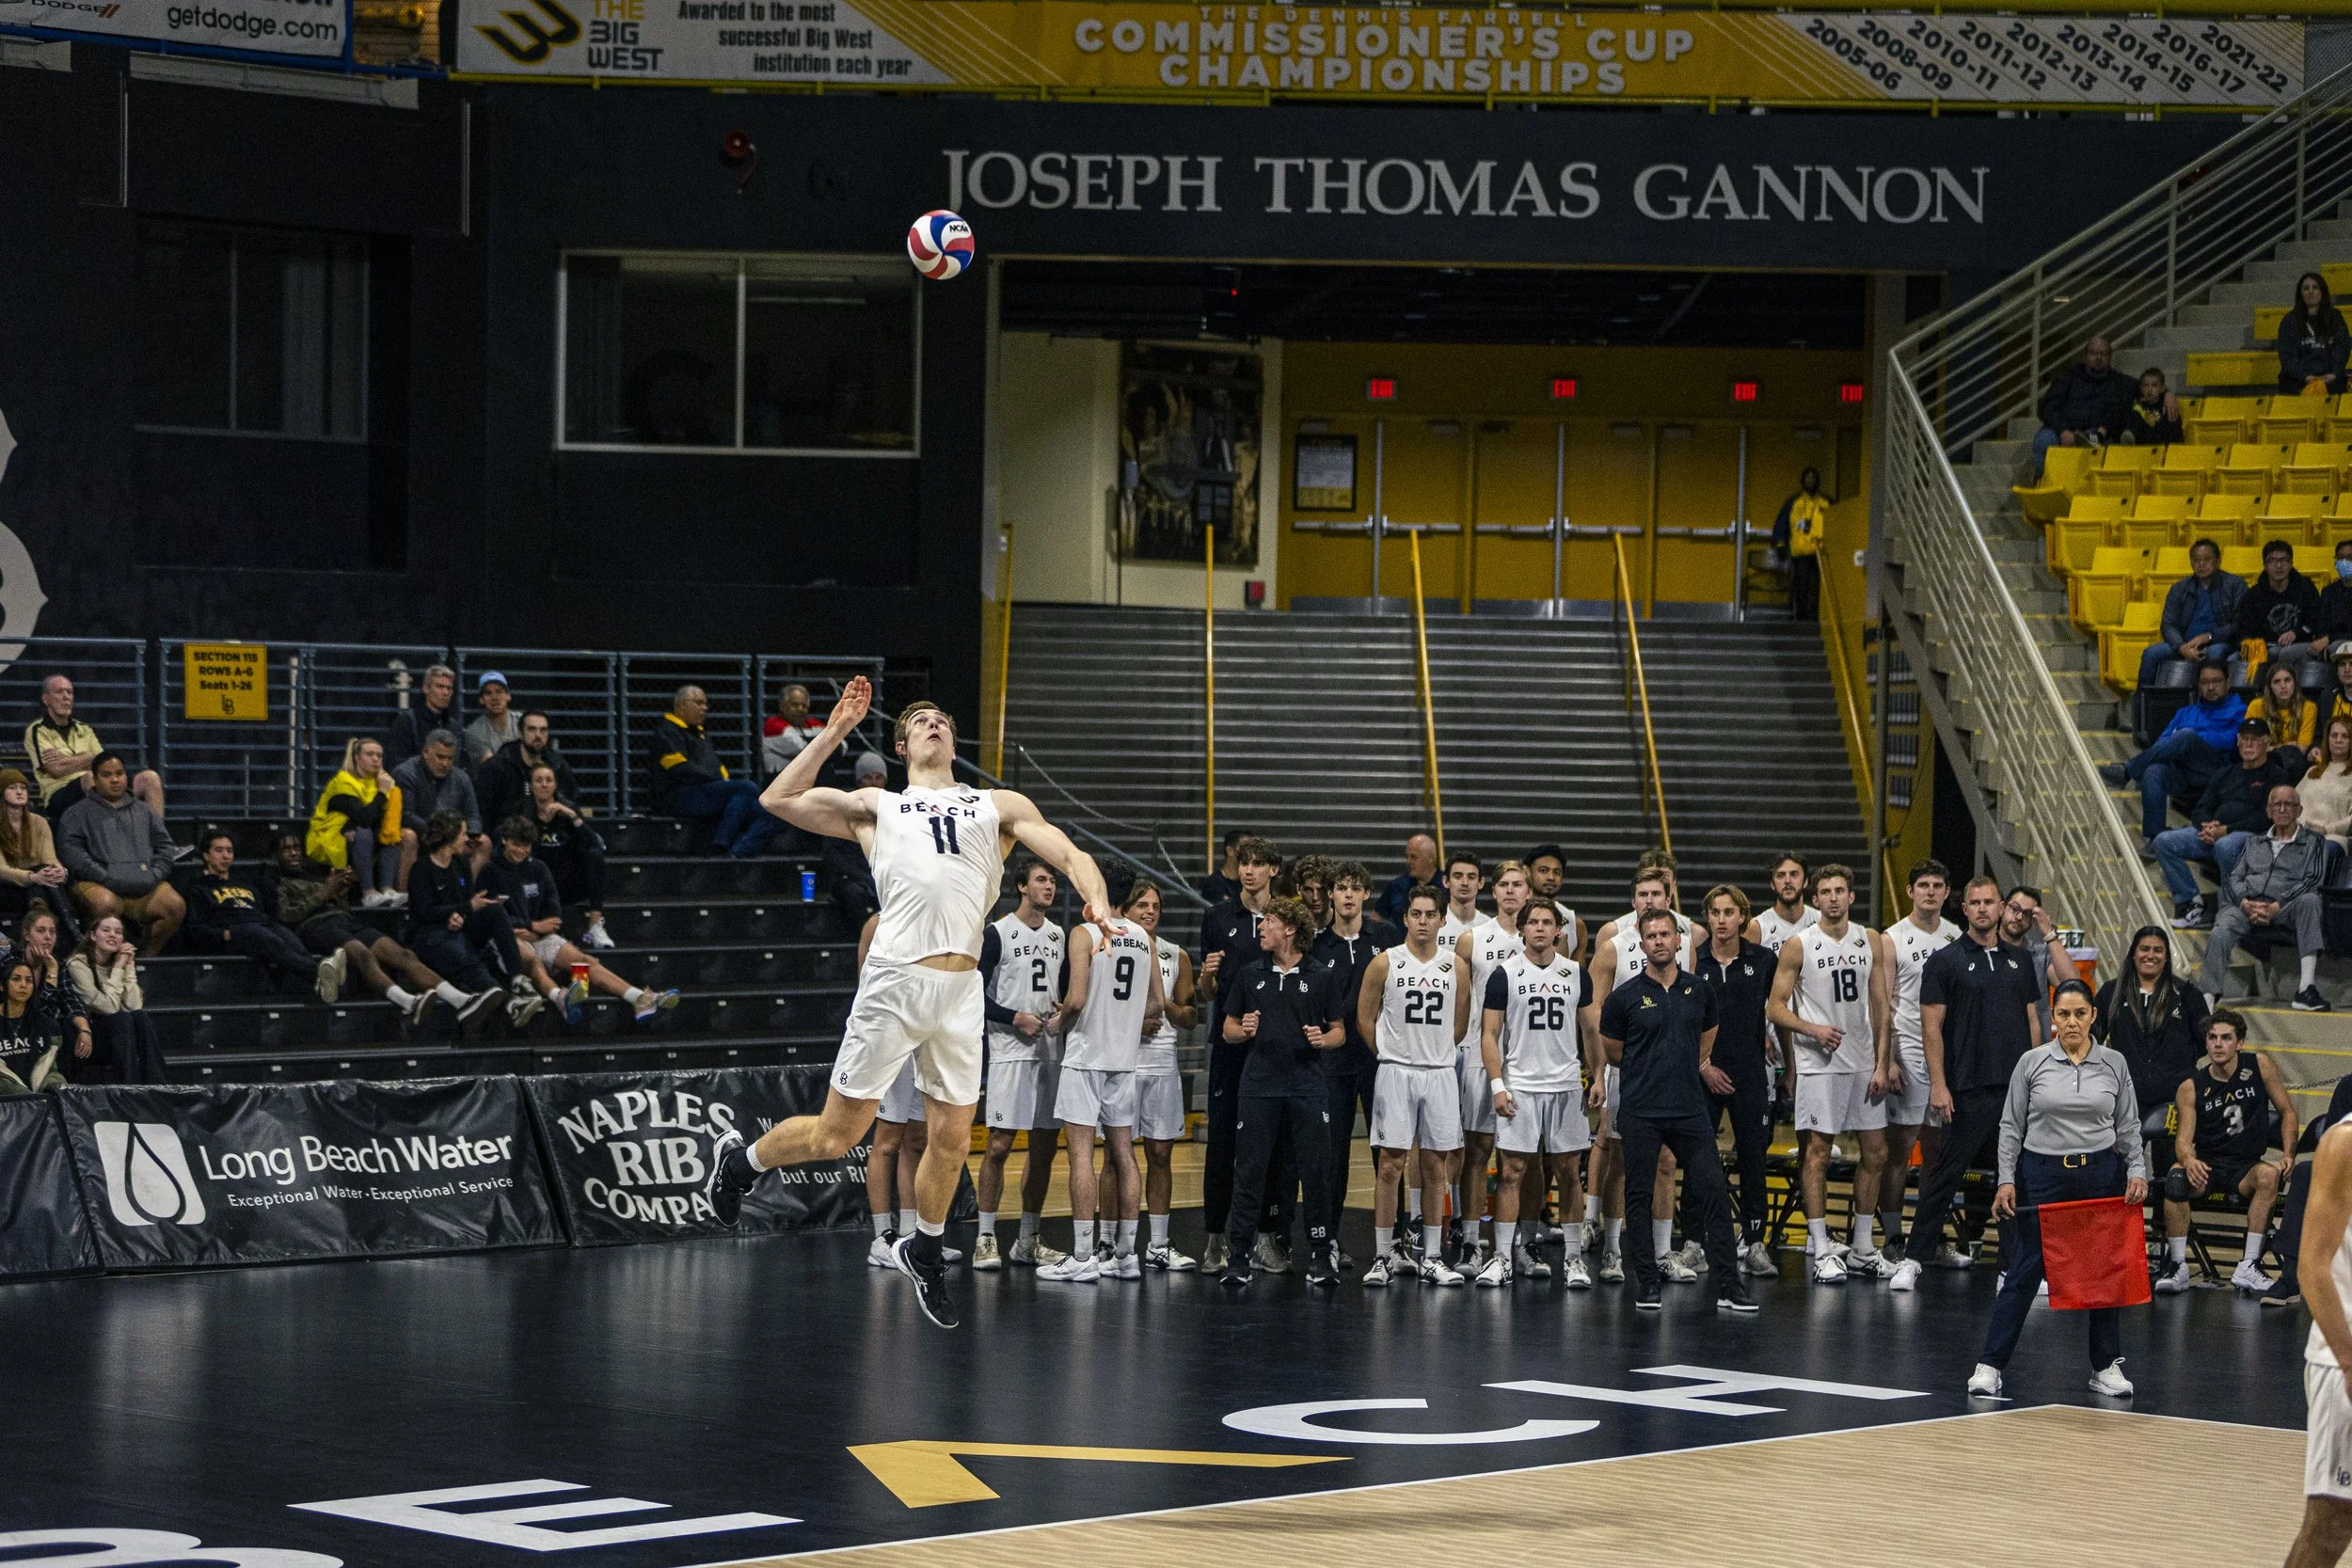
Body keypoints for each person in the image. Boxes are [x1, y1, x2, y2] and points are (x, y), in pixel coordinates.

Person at [707, 680, 1115, 1331]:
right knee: (838, 1135)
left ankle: (924, 1248)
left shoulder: (995, 804)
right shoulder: (879, 806)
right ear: (900, 746)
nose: (932, 724)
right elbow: (776, 798)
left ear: (952, 740)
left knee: (951, 1139)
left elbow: (1069, 852)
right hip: (895, 981)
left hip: (960, 991)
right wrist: (835, 731)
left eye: (940, 719)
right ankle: (740, 1163)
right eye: (920, 720)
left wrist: (1098, 903)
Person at [1965, 979, 2144, 1401]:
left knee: (2102, 1274)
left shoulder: (2114, 1062)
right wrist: (2006, 1179)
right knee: (2025, 1271)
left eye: (2080, 1014)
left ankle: (2105, 1366)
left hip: (2100, 1173)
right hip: (2041, 1175)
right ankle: (1990, 1365)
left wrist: (2137, 1169)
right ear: (2053, 1018)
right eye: (2063, 1014)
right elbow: (2011, 1126)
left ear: (2093, 1016)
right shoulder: (2032, 1062)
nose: (2072, 1022)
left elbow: (2128, 1124)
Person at [1887, 877, 2044, 1291]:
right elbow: (1931, 1027)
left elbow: (2031, 1020)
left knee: (2015, 1179)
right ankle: (1914, 1259)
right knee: (1944, 1176)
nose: (1982, 908)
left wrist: (2037, 1080)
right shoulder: (1945, 961)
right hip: (1967, 1089)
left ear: (2001, 907)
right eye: (1974, 902)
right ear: (1965, 909)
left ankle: (2013, 1269)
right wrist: (1938, 1085)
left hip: (2014, 1091)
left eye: (1989, 902)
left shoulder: (2021, 960)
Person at [1599, 909, 1753, 1314]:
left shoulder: (1699, 991)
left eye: (1665, 934)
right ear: (1642, 944)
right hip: (1641, 1109)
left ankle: (1729, 1286)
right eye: (1651, 936)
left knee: (1714, 1193)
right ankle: (1648, 1283)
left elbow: (1707, 1039)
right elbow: (1612, 1052)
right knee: (1639, 1196)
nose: (1659, 941)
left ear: (1678, 940)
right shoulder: (1623, 997)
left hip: (1689, 1109)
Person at [1768, 863, 1897, 1283]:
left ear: (1851, 896)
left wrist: (1882, 1062)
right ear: (1816, 898)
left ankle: (1862, 1247)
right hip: (1819, 1065)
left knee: (1876, 1153)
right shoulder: (1799, 944)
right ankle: (1821, 1246)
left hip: (1863, 1063)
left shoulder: (1869, 939)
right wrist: (1813, 1030)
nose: (1833, 898)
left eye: (1840, 890)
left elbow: (1881, 1006)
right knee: (1818, 1154)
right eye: (1826, 892)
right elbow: (1775, 1008)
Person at [1216, 896, 1348, 1291]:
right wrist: (1244, 1030)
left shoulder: (1321, 976)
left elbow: (1340, 1032)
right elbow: (1227, 1029)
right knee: (1249, 1172)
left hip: (1307, 1087)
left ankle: (1321, 1256)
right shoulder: (1249, 973)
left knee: (1316, 1173)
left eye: (1269, 921)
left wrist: (1323, 1039)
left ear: (1289, 929)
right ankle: (1238, 1257)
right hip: (1259, 1087)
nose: (1261, 927)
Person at [1477, 895, 1598, 1289]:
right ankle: (1503, 1256)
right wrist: (1498, 1084)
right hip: (1522, 1087)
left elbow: (1590, 1030)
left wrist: (1598, 1076)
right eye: (1533, 922)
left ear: (1559, 930)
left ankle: (1574, 1259)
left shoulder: (1576, 974)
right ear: (1522, 929)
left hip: (1565, 1086)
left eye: (1548, 922)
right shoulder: (1504, 974)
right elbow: (1489, 1034)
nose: (1541, 928)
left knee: (1569, 1173)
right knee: (1512, 1171)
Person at [1589, 868, 1700, 1284]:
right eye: (1642, 894)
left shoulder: (1683, 945)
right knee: (1621, 1161)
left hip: (1672, 1073)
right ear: (1633, 900)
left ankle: (1661, 1252)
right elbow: (1594, 1017)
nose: (1649, 900)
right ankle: (1612, 1250)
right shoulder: (1612, 948)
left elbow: (1693, 1011)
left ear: (1668, 898)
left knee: (1667, 1162)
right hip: (1629, 1071)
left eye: (1656, 893)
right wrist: (1599, 1071)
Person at [1041, 906, 1163, 1283]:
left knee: (1081, 1156)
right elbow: (1156, 1003)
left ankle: (1082, 1256)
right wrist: (1120, 1017)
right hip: (1123, 1060)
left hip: (1086, 1058)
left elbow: (1076, 1001)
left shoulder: (1086, 933)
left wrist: (1057, 1024)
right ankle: (1127, 1256)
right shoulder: (1144, 939)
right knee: (1124, 1153)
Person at [1359, 883, 1470, 1288]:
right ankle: (1383, 1255)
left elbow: (1459, 1025)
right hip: (1396, 1072)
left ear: (1442, 920)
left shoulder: (1456, 966)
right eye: (1416, 914)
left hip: (1439, 1072)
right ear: (1405, 918)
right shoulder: (1385, 963)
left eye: (1430, 915)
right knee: (1391, 1163)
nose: (1423, 921)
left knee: (1435, 1165)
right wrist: (1391, 1054)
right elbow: (1364, 1019)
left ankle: (1433, 1257)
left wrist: (1432, 1052)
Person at [262, 832, 492, 1022]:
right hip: (315, 927)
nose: (294, 852)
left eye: (296, 847)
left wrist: (340, 892)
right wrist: (325, 891)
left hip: (344, 920)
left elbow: (340, 907)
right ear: (275, 855)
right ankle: (407, 1002)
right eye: (286, 849)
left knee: (404, 954)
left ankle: (461, 1000)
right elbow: (287, 915)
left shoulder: (314, 875)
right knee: (363, 954)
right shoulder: (275, 881)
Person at [2154, 1009, 2296, 1295]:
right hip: (2207, 1166)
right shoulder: (2191, 1087)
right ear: (2206, 1044)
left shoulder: (2259, 1065)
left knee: (2269, 1176)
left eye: (2226, 1038)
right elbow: (2183, 1141)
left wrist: (2289, 1153)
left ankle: (2249, 1265)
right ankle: (2179, 1266)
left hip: (2245, 1166)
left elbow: (2288, 1112)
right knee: (2176, 1177)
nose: (2218, 1044)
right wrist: (2189, 1160)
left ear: (2239, 1043)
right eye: (2212, 1038)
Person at [972, 858, 1069, 1273]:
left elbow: (1066, 990)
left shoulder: (1059, 934)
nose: (1049, 887)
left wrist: (1065, 1014)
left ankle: (1028, 1239)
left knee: (1045, 1148)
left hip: (1050, 1051)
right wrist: (1015, 1017)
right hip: (1010, 1051)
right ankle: (985, 1237)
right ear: (1022, 886)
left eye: (1053, 881)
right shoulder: (997, 933)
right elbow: (973, 993)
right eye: (1041, 880)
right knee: (998, 1145)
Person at [485, 818, 678, 1024]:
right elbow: (491, 916)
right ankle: (560, 998)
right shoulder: (489, 871)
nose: (521, 851)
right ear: (504, 840)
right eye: (516, 845)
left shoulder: (539, 868)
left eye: (526, 846)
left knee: (583, 962)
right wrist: (530, 925)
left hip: (539, 935)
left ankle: (638, 999)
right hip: (507, 939)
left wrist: (535, 930)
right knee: (534, 960)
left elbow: (553, 914)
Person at [1198, 833, 1279, 1274]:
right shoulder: (1218, 917)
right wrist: (1206, 977)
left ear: (1273, 870)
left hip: (1273, 1048)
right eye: (1244, 863)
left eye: (1258, 863)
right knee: (1222, 1142)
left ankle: (1265, 1237)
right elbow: (1206, 992)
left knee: (1270, 1144)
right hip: (1230, 1046)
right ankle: (1215, 1238)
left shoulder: (1285, 918)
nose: (1249, 870)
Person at [1453, 858, 1533, 1271]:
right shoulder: (1472, 940)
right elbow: (1460, 1002)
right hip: (1479, 1056)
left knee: (1521, 1158)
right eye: (1504, 884)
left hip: (1527, 1060)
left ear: (1528, 892)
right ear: (1494, 890)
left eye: (1518, 884)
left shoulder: (1542, 935)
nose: (1511, 891)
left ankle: (1520, 1242)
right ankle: (1471, 1242)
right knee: (1477, 1151)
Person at [1879, 859, 1960, 1261]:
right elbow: (1882, 1003)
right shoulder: (1892, 938)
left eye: (1937, 885)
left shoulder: (1957, 937)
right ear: (1910, 891)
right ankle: (1894, 1238)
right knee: (1899, 1151)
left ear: (1947, 893)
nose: (1930, 891)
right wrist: (1889, 1058)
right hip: (1908, 1048)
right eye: (1923, 884)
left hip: (1945, 1053)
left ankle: (1929, 1238)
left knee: (1938, 1153)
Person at [1694, 885, 1778, 1276]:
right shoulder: (1693, 959)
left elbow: (1778, 1010)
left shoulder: (1764, 960)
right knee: (1698, 1158)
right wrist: (1703, 1066)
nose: (1722, 919)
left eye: (1729, 912)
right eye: (1715, 912)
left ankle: (1755, 1241)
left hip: (1749, 1073)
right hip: (1703, 1072)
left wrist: (1789, 1068)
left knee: (1754, 1158)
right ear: (1707, 917)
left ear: (1743, 917)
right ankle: (1694, 1242)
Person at [1311, 860, 1394, 1253]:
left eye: (1354, 888)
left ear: (1365, 894)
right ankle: (1328, 1239)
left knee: (1387, 1151)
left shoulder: (1386, 938)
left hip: (1380, 1059)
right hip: (1332, 1061)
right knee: (1332, 1153)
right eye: (1341, 887)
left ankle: (1393, 1241)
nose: (1347, 894)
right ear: (1330, 894)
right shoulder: (1317, 945)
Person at [2153, 720, 2307, 929]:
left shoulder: (2276, 776)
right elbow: (2201, 808)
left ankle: (2230, 911)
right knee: (2164, 841)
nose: (2248, 744)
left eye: (2254, 739)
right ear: (2238, 741)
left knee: (2226, 846)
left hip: (2256, 836)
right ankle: (2190, 904)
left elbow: (2267, 817)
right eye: (2244, 739)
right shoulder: (2225, 773)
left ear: (2266, 743)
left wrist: (2226, 831)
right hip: (2216, 833)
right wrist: (2207, 827)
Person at [2199, 784, 2332, 1011]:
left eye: (2288, 804)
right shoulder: (2254, 842)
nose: (2282, 809)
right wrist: (2244, 902)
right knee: (2223, 926)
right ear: (2269, 811)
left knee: (2310, 900)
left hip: (2286, 908)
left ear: (2299, 811)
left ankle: (2306, 989)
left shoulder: (2314, 842)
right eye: (2276, 805)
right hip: (2248, 906)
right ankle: (2207, 998)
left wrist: (2278, 905)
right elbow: (2235, 877)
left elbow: (2313, 879)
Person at [404, 810, 540, 1030]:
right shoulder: (422, 868)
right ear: (449, 836)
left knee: (495, 911)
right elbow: (424, 912)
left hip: (459, 925)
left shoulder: (461, 863)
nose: (467, 838)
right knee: (463, 951)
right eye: (463, 834)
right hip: (430, 934)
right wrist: (463, 909)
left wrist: (462, 913)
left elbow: (465, 901)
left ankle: (517, 979)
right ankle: (510, 1003)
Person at [2288, 1110, 2352, 1565]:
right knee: (2331, 1525)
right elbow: (2312, 1267)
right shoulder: (2344, 1142)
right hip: (2342, 1358)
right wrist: (2349, 1361)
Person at [1127, 878, 1200, 1272]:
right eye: (1142, 905)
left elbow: (1190, 1016)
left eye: (1155, 905)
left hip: (1162, 1063)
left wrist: (1165, 1006)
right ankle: (1111, 1244)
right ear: (1126, 909)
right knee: (1117, 1157)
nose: (1150, 911)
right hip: (1123, 1061)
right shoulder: (1111, 947)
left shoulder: (1177, 955)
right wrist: (1134, 1023)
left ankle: (1158, 1243)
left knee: (1160, 1154)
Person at [2093, 926, 2211, 1170]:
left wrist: (2178, 1063)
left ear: (2166, 957)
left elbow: (2205, 1041)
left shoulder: (2186, 994)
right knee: (2120, 1169)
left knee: (2169, 1173)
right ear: (2133, 954)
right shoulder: (2112, 992)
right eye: (2144, 949)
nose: (2151, 955)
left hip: (2173, 1098)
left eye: (2158, 950)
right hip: (2127, 1097)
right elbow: (2092, 1036)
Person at [183, 830, 342, 1001]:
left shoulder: (247, 886)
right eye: (219, 850)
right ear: (206, 856)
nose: (226, 855)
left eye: (229, 851)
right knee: (264, 936)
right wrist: (225, 934)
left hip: (261, 925)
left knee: (288, 937)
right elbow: (195, 929)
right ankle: (320, 974)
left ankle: (320, 981)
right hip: (235, 932)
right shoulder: (198, 889)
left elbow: (261, 913)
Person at [2103, 659, 2249, 843]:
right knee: (2154, 771)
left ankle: (2127, 771)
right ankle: (2154, 839)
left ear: (2227, 683)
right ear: (2198, 686)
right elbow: (2163, 742)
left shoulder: (2240, 711)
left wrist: (2192, 736)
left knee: (2186, 736)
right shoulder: (2185, 712)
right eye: (2205, 682)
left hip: (2216, 769)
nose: (2211, 687)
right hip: (2183, 772)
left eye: (2216, 681)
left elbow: (2229, 740)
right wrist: (2184, 741)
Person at [57, 753, 184, 953]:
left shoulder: (145, 811)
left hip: (144, 884)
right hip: (98, 884)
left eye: (119, 773)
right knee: (104, 904)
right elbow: (73, 854)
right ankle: (96, 960)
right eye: (107, 775)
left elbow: (165, 847)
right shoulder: (75, 813)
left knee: (174, 905)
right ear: (94, 779)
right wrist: (105, 876)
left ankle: (147, 959)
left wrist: (154, 875)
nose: (115, 780)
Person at [646, 685, 779, 860]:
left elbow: (717, 766)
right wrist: (717, 780)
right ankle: (719, 846)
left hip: (706, 792)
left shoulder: (700, 734)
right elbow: (681, 770)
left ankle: (736, 854)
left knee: (772, 812)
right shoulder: (667, 732)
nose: (704, 708)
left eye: (705, 703)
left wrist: (720, 780)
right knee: (746, 788)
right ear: (681, 705)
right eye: (699, 703)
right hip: (678, 796)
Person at [24, 674, 164, 825]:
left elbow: (102, 764)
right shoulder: (38, 730)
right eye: (59, 692)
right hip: (59, 794)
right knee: (90, 778)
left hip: (98, 785)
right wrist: (88, 757)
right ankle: (109, 833)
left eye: (69, 692)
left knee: (150, 779)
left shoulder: (84, 729)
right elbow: (56, 769)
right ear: (46, 699)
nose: (66, 697)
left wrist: (74, 760)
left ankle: (158, 837)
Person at [520, 761, 613, 950]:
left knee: (595, 855)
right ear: (531, 786)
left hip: (567, 880)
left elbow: (595, 845)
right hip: (538, 882)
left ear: (555, 785)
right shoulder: (523, 811)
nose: (544, 785)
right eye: (539, 780)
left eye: (549, 780)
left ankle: (595, 925)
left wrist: (572, 815)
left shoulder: (568, 809)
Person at [309, 737, 406, 908]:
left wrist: (353, 824)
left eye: (379, 756)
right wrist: (382, 793)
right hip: (330, 836)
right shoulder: (343, 782)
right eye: (370, 754)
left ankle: (388, 890)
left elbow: (383, 819)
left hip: (358, 833)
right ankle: (368, 893)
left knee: (391, 833)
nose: (376, 759)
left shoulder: (379, 783)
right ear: (356, 758)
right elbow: (364, 818)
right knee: (363, 832)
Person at [66, 914, 164, 1083]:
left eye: (118, 932)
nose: (113, 935)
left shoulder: (119, 961)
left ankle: (160, 1086)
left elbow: (134, 1007)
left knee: (140, 1017)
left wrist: (129, 966)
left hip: (118, 1035)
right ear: (93, 935)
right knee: (121, 1019)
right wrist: (118, 967)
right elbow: (108, 1008)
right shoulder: (78, 964)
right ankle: (129, 1089)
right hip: (86, 1038)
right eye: (106, 930)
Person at [2137, 539, 2246, 690]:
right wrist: (2181, 647)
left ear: (2218, 561)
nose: (2201, 564)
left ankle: (2209, 700)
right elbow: (2169, 624)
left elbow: (2240, 623)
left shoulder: (2235, 585)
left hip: (2219, 642)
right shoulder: (2179, 588)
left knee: (2215, 652)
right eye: (2196, 560)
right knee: (2151, 653)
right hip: (2185, 643)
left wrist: (2209, 636)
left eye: (2207, 559)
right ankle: (2144, 702)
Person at [2031, 335, 2134, 472]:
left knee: (2091, 443)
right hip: (2061, 429)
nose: (2098, 357)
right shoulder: (2067, 377)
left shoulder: (2120, 382)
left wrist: (2166, 394)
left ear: (2110, 357)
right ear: (2085, 357)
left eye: (2103, 353)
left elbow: (2145, 388)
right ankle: (2038, 477)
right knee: (2044, 440)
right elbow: (2048, 407)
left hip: (2094, 433)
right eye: (2093, 353)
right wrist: (2063, 431)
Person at [0, 768, 75, 944]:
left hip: (37, 883)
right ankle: (72, 930)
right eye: (12, 788)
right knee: (42, 885)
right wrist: (33, 877)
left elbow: (49, 859)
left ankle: (39, 927)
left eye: (23, 788)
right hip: (8, 886)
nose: (19, 792)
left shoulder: (39, 822)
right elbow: (1, 870)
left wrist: (60, 871)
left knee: (45, 881)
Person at [392, 731, 485, 867]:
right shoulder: (405, 774)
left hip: (453, 835)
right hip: (422, 833)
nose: (445, 763)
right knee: (408, 836)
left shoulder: (461, 778)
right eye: (440, 757)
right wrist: (441, 832)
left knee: (484, 842)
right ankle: (407, 882)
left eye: (450, 758)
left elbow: (473, 815)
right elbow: (406, 815)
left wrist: (473, 833)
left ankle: (466, 881)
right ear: (426, 752)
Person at [2240, 538, 2329, 679]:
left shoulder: (2305, 588)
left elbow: (2315, 621)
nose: (2279, 565)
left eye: (2284, 560)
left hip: (2300, 643)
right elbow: (2245, 628)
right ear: (2265, 566)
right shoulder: (2254, 595)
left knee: (2278, 653)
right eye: (2272, 561)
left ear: (2291, 564)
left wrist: (2296, 632)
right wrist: (2253, 645)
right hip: (2265, 646)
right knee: (2235, 659)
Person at [477, 711, 581, 832]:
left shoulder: (557, 765)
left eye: (543, 730)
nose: (538, 735)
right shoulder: (498, 766)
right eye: (532, 729)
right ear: (520, 734)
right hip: (509, 834)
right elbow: (483, 809)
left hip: (552, 832)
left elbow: (572, 802)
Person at [16, 909, 89, 1074]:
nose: (48, 937)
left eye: (52, 931)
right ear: (27, 935)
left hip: (48, 1029)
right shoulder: (13, 963)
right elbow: (36, 1011)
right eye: (41, 931)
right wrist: (52, 972)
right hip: (17, 1027)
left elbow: (70, 1000)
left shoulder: (58, 965)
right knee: (51, 1025)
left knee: (72, 1028)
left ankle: (70, 1086)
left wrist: (85, 1030)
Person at [1772, 467, 1831, 622]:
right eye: (1807, 478)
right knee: (1801, 587)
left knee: (1818, 589)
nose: (1810, 481)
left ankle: (1816, 619)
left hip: (1820, 554)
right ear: (1802, 481)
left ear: (1817, 481)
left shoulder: (1826, 502)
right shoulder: (1793, 502)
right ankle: (1801, 619)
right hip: (1800, 553)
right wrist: (1780, 544)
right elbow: (1781, 524)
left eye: (1813, 478)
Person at [2281, 271, 2352, 397]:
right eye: (2306, 288)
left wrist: (2334, 374)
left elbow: (2342, 349)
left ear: (2322, 291)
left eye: (2315, 287)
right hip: (2299, 382)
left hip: (2331, 380)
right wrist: (2305, 377)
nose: (2310, 291)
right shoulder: (2289, 321)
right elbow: (2288, 356)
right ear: (2300, 293)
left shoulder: (2335, 318)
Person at [0, 959, 64, 1095]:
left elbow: (49, 1069)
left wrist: (56, 1088)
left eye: (29, 981)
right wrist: (26, 1098)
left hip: (38, 1096)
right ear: (2, 985)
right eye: (16, 979)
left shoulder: (44, 1023)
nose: (23, 985)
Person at [384, 663, 458, 771]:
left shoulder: (453, 726)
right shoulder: (406, 722)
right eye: (440, 686)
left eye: (449, 688)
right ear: (426, 688)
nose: (446, 692)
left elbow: (457, 765)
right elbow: (396, 764)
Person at [1745, 852, 1818, 954]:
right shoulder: (1757, 928)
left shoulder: (1821, 921)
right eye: (1780, 875)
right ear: (1772, 884)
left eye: (1794, 874)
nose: (1787, 881)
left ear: (1805, 881)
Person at [2253, 659, 2321, 756]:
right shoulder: (2256, 706)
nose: (2283, 686)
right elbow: (2252, 747)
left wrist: (2270, 748)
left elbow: (2301, 750)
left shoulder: (2308, 708)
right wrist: (2289, 746)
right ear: (2270, 687)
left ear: (2294, 683)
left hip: (2293, 762)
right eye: (2276, 682)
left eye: (2287, 680)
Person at [2306, 716, 2352, 846]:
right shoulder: (2313, 771)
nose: (2338, 740)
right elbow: (2293, 804)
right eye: (2334, 735)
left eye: (2345, 736)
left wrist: (2327, 829)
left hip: (2334, 838)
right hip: (2302, 834)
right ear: (2327, 740)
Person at [463, 671, 520, 769]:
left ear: (508, 696)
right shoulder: (474, 731)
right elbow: (492, 767)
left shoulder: (522, 722)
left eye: (499, 691)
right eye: (488, 693)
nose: (495, 698)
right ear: (481, 699)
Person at [1377, 832, 1438, 924]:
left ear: (1431, 858)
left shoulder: (1448, 886)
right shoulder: (1396, 886)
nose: (1408, 862)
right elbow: (1376, 919)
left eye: (1414, 857)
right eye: (1407, 857)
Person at [2112, 367, 2183, 447]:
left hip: (2163, 445)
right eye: (2145, 385)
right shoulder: (2137, 407)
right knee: (2134, 414)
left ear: (2162, 388)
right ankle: (2129, 437)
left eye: (2154, 385)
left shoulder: (2167, 406)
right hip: (2142, 446)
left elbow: (2174, 432)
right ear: (2141, 388)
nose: (2149, 389)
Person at [760, 684, 819, 776]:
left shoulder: (814, 724)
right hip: (780, 780)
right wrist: (825, 746)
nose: (800, 709)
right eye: (795, 705)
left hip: (809, 779)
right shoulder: (772, 725)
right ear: (782, 706)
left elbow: (840, 746)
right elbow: (801, 749)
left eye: (804, 706)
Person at [1200, 828, 1248, 906]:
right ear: (1230, 851)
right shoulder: (1213, 883)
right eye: (1245, 847)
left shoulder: (1251, 882)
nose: (1249, 852)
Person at [2321, 546, 2352, 663]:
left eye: (2350, 557)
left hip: (2338, 642)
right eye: (2340, 557)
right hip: (2329, 641)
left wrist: (2329, 639)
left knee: (2336, 647)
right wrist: (2321, 639)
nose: (2344, 562)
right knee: (2289, 653)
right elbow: (2322, 624)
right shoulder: (2328, 591)